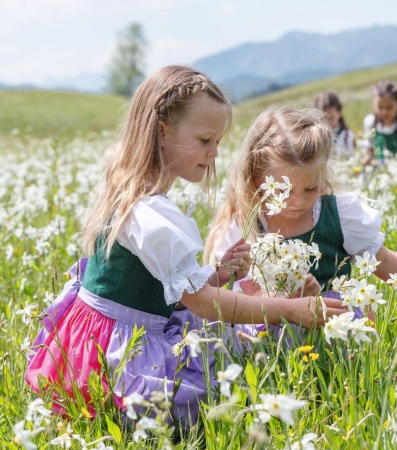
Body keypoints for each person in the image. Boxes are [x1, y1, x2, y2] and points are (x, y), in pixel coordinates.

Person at [25, 66, 346, 425]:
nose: (214, 154)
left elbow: (162, 289)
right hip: (119, 358)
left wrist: (216, 274)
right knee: (226, 390)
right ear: (162, 131)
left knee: (229, 348)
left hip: (93, 345)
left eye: (218, 143)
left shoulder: (132, 192)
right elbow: (202, 305)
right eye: (205, 140)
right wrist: (287, 310)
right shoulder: (152, 212)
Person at [205, 106, 397, 302]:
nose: (299, 201)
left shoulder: (339, 215)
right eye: (284, 192)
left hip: (337, 323)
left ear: (322, 177)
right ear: (257, 179)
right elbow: (250, 298)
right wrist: (287, 298)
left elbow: (385, 261)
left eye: (311, 189)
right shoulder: (246, 228)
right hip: (273, 333)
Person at [361, 80, 397, 166]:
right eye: (380, 107)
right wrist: (367, 160)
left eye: (389, 107)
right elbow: (369, 152)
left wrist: (396, 167)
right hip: (378, 169)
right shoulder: (371, 122)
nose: (384, 112)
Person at [314, 91, 354, 158]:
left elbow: (348, 156)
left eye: (331, 118)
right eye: (323, 119)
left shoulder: (346, 135)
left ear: (339, 112)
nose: (327, 123)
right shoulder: (317, 138)